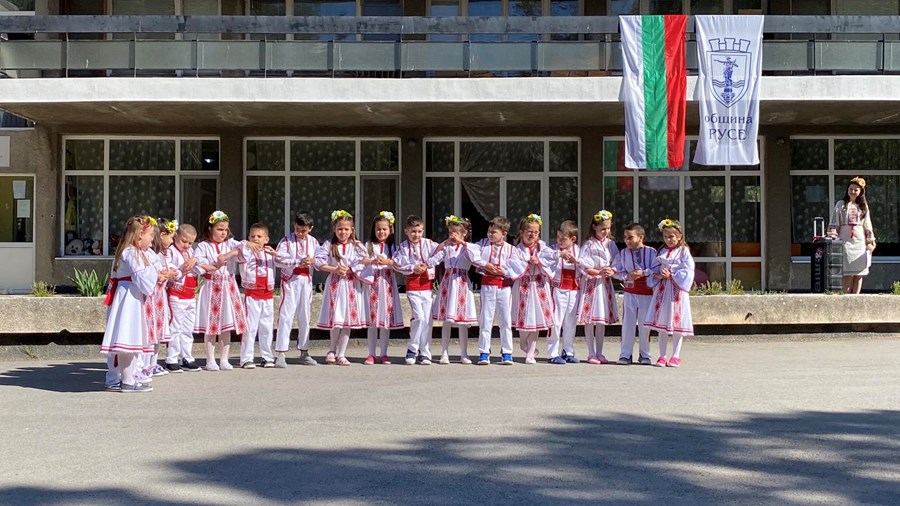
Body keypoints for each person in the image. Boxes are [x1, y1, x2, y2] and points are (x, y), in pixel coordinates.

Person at [194, 210, 260, 371]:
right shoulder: (203, 246)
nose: (223, 233)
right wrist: (215, 265)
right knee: (211, 325)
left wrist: (229, 254)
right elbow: (200, 265)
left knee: (226, 324)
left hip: (228, 286)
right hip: (212, 286)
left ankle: (224, 358)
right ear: (210, 229)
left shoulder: (230, 243)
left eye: (225, 229)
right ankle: (210, 359)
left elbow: (244, 249)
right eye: (219, 229)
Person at [101, 216, 159, 393]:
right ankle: (126, 381)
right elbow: (144, 278)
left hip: (132, 295)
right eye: (150, 235)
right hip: (129, 297)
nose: (152, 239)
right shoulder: (131, 252)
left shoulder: (135, 252)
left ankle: (124, 378)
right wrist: (155, 273)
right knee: (127, 338)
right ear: (140, 235)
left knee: (131, 339)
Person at [218, 223, 278, 369]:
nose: (255, 239)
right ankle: (246, 358)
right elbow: (237, 247)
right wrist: (246, 243)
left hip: (268, 295)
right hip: (252, 295)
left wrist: (276, 254)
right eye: (252, 236)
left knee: (267, 327)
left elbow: (286, 261)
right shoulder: (246, 252)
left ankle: (267, 356)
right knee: (250, 327)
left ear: (266, 239)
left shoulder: (271, 254)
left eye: (259, 236)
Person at [315, 210, 371, 366]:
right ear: (334, 229)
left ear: (352, 230)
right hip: (335, 284)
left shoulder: (357, 246)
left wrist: (355, 267)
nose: (343, 232)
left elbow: (365, 262)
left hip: (352, 284)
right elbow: (318, 262)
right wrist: (335, 269)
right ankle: (332, 350)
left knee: (347, 319)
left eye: (346, 229)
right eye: (340, 229)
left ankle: (342, 353)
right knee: (336, 319)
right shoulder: (329, 245)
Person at [428, 215, 480, 365]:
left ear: (464, 233)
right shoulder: (447, 248)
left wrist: (462, 243)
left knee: (462, 321)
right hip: (448, 284)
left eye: (456, 233)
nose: (453, 236)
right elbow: (433, 258)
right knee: (447, 321)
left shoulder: (469, 248)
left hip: (462, 283)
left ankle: (464, 353)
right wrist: (444, 243)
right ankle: (444, 352)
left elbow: (476, 258)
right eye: (450, 233)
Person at [475, 216, 525, 366]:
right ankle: (484, 351)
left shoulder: (511, 249)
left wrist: (505, 271)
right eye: (489, 231)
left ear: (503, 234)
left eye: (494, 232)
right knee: (486, 319)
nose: (490, 234)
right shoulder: (482, 244)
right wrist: (485, 264)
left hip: (504, 286)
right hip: (487, 285)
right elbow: (472, 254)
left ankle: (507, 352)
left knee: (505, 320)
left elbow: (519, 266)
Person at [645, 219, 695, 368]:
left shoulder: (684, 251)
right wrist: (658, 274)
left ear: (679, 236)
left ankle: (676, 355)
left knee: (677, 323)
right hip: (663, 291)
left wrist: (671, 274)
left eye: (672, 236)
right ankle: (662, 355)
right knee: (662, 323)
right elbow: (654, 268)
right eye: (666, 237)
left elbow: (688, 270)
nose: (669, 239)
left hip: (677, 291)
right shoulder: (661, 252)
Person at [510, 214, 558, 364]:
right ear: (522, 232)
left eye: (536, 232)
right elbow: (513, 264)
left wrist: (539, 261)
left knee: (536, 319)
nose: (532, 235)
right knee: (523, 319)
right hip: (523, 285)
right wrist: (527, 263)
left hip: (539, 285)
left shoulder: (542, 247)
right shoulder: (516, 249)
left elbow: (552, 258)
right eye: (529, 231)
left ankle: (530, 353)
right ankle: (523, 343)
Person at [274, 212, 320, 367]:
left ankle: (304, 351)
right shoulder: (286, 241)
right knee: (286, 315)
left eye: (304, 231)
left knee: (305, 316)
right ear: (294, 226)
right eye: (298, 229)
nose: (300, 233)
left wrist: (312, 260)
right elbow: (278, 259)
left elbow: (321, 259)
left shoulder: (314, 242)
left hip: (306, 281)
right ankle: (281, 352)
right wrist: (297, 261)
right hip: (290, 280)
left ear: (310, 229)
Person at [393, 215, 439, 365]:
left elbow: (441, 251)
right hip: (413, 286)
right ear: (406, 231)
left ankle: (425, 352)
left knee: (427, 320)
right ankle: (412, 349)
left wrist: (429, 263)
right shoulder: (403, 247)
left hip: (427, 286)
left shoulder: (428, 243)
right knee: (418, 317)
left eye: (419, 231)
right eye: (413, 231)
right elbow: (397, 263)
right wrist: (413, 267)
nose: (416, 235)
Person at [138, 218, 178, 381]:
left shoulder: (165, 254)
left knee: (158, 331)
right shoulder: (151, 254)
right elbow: (149, 274)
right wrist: (162, 275)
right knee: (149, 330)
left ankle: (152, 363)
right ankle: (144, 365)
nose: (173, 241)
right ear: (162, 235)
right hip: (151, 296)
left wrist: (172, 273)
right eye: (171, 237)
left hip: (160, 296)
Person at [577, 211, 620, 365]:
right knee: (590, 320)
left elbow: (617, 261)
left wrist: (612, 270)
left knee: (601, 320)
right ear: (594, 227)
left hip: (604, 283)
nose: (605, 231)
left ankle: (600, 352)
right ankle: (591, 352)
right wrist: (597, 272)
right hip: (591, 283)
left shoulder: (611, 244)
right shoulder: (589, 244)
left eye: (608, 228)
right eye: (602, 229)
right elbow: (582, 263)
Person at [612, 222, 657, 366]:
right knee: (628, 324)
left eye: (630, 237)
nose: (627, 240)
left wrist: (644, 272)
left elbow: (656, 268)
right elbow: (615, 270)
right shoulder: (623, 253)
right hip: (630, 292)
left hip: (646, 293)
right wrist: (627, 276)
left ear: (640, 237)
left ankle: (645, 354)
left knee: (645, 325)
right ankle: (625, 354)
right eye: (625, 238)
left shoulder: (651, 252)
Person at [364, 211, 404, 365]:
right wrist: (371, 261)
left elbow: (401, 263)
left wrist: (389, 262)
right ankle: (371, 353)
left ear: (390, 230)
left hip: (387, 285)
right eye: (378, 229)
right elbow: (360, 261)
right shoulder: (368, 246)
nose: (381, 232)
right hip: (372, 285)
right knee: (373, 320)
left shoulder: (394, 247)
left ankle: (384, 353)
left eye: (384, 229)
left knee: (385, 320)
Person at [828, 177, 877, 294]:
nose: (853, 192)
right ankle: (846, 297)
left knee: (859, 273)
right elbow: (835, 222)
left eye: (856, 190)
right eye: (851, 189)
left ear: (861, 192)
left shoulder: (863, 206)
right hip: (845, 241)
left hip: (859, 242)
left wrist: (870, 241)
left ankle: (856, 297)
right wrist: (833, 237)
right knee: (847, 273)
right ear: (847, 190)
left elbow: (867, 224)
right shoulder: (841, 204)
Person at [164, 223, 201, 372]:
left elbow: (200, 267)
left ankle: (186, 356)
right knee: (175, 327)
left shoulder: (191, 252)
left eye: (190, 243)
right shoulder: (170, 251)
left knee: (188, 328)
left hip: (190, 294)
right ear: (176, 237)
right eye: (183, 241)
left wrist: (195, 260)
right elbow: (170, 270)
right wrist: (182, 270)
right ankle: (172, 358)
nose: (186, 245)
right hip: (176, 294)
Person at [550, 220, 587, 364]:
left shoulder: (579, 250)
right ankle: (552, 352)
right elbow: (545, 259)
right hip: (558, 289)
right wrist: (559, 255)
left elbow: (586, 265)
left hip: (573, 289)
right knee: (556, 321)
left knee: (570, 322)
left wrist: (577, 261)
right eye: (558, 237)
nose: (560, 241)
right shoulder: (553, 249)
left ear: (573, 239)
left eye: (563, 239)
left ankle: (568, 351)